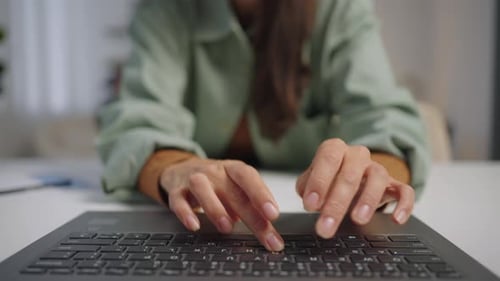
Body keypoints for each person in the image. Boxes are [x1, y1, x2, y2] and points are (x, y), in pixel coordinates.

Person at [97, 0, 430, 252]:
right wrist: (175, 168)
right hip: (197, 218)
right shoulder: (167, 8)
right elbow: (136, 120)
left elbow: (388, 119)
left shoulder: (338, 8)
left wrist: (375, 171)